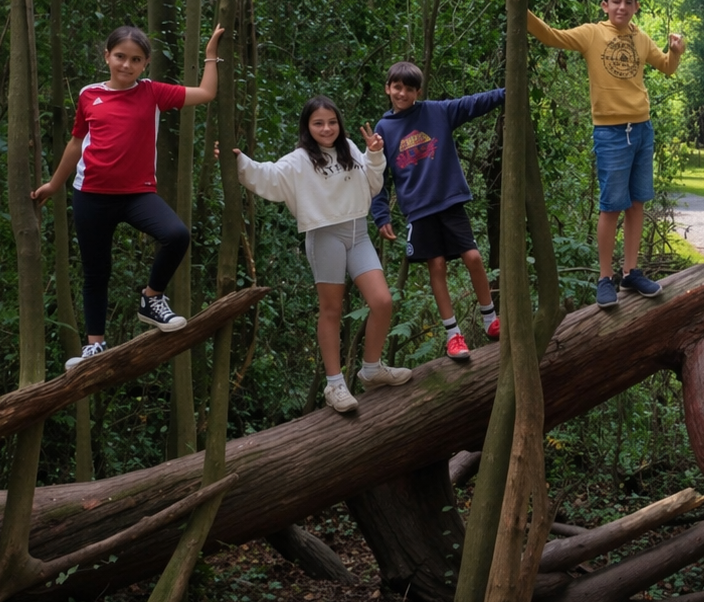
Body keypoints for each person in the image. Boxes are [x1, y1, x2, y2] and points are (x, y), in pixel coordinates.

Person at [34, 25, 226, 370]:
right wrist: (53, 184)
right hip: (90, 195)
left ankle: (151, 298)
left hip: (137, 194)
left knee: (176, 235)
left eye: (136, 59)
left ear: (145, 63)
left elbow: (206, 93)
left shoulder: (153, 92)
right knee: (96, 272)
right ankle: (95, 346)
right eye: (120, 56)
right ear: (107, 56)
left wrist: (211, 53)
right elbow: (76, 143)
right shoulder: (89, 95)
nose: (126, 64)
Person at [230, 96, 411, 412]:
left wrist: (374, 154)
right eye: (318, 123)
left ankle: (371, 369)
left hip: (358, 232)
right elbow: (267, 175)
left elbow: (372, 184)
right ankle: (335, 384)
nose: (326, 128)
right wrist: (238, 161)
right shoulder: (299, 160)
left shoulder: (349, 148)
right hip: (324, 234)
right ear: (307, 127)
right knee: (331, 309)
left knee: (382, 301)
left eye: (331, 122)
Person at [527, 0, 684, 308]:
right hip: (611, 133)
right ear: (605, 5)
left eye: (628, 1)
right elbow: (550, 36)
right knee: (611, 205)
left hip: (642, 129)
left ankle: (630, 273)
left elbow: (667, 67)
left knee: (637, 202)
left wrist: (675, 51)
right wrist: (520, 8)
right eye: (616, 1)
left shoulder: (641, 38)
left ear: (636, 6)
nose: (621, 7)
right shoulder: (591, 34)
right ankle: (604, 278)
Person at [371, 63, 503, 362]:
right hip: (418, 209)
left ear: (418, 92)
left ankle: (490, 320)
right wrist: (381, 215)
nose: (402, 94)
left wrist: (508, 92)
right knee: (438, 265)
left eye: (409, 89)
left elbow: (472, 103)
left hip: (449, 200)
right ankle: (453, 335)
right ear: (388, 88)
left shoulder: (436, 112)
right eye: (397, 87)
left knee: (473, 257)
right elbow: (379, 177)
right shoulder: (383, 129)